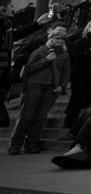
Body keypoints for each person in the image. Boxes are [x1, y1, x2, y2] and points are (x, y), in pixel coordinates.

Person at [7, 25, 71, 155]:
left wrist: (62, 86)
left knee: (41, 117)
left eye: (61, 39)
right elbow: (29, 69)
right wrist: (46, 60)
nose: (59, 41)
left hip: (51, 88)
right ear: (51, 38)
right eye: (57, 38)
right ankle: (15, 144)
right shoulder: (39, 52)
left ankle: (32, 143)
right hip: (34, 85)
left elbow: (66, 72)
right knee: (26, 116)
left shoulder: (64, 55)